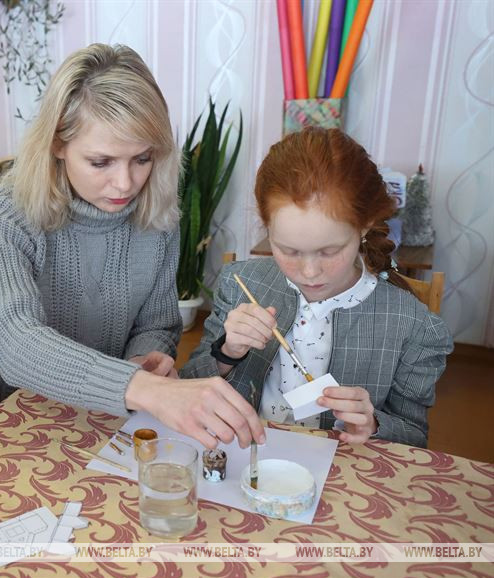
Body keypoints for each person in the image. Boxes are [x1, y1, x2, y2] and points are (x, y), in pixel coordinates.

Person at [0, 43, 265, 451]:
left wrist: (145, 358)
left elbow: (156, 324)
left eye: (142, 159)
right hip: (12, 415)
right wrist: (145, 388)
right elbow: (17, 344)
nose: (125, 184)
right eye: (101, 162)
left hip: (112, 415)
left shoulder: (158, 217)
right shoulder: (2, 215)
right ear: (57, 143)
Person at [181, 127, 453, 447]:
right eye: (289, 250)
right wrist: (227, 352)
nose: (309, 272)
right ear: (268, 228)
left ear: (364, 227)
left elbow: (415, 438)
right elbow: (188, 384)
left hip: (343, 471)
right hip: (246, 459)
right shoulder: (241, 285)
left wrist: (374, 424)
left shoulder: (414, 326)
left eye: (329, 251)